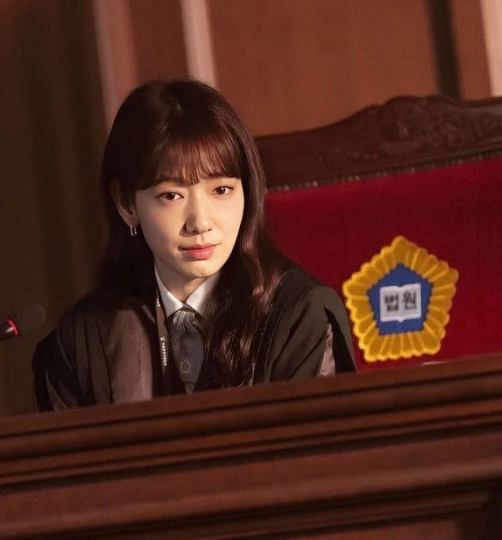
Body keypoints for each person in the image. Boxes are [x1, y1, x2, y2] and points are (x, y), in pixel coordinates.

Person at [33, 78, 355, 411]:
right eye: (172, 195)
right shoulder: (88, 336)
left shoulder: (299, 316)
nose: (200, 222)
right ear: (127, 203)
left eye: (221, 190)